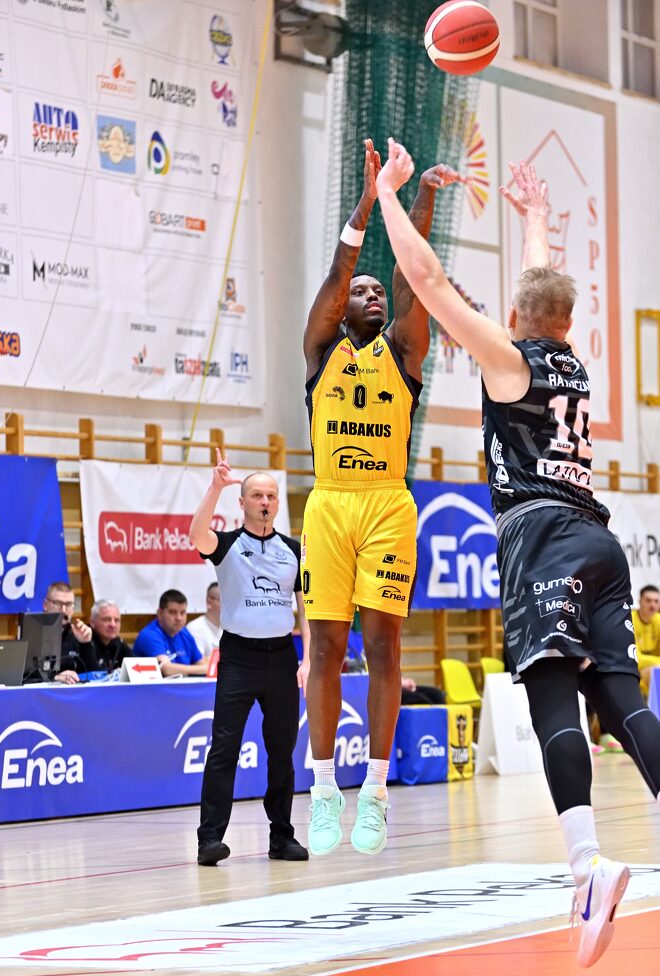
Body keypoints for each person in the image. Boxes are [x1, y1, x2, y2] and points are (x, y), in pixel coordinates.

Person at [375, 143, 660, 967]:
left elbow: (428, 280)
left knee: (552, 702)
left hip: (544, 542)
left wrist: (388, 195)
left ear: (518, 317)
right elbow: (541, 293)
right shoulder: (571, 360)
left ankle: (588, 867)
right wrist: (536, 217)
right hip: (601, 540)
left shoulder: (507, 361)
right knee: (622, 698)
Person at [301, 138, 454, 857]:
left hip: (387, 503)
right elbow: (340, 270)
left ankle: (376, 791)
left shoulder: (404, 353)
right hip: (331, 503)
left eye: (377, 293)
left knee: (383, 645)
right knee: (327, 647)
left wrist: (419, 196)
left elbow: (413, 278)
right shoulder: (322, 351)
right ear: (342, 310)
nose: (371, 294)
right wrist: (368, 199)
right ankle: (323, 788)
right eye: (361, 291)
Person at [189, 452, 310, 865]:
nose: (265, 501)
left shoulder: (293, 550)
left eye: (271, 496)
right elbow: (196, 534)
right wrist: (215, 487)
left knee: (282, 751)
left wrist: (308, 660)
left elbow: (306, 609)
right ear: (242, 503)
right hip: (238, 658)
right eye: (257, 495)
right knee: (224, 747)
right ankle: (209, 839)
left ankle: (281, 837)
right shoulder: (227, 546)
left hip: (282, 658)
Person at [31, 581, 98, 684]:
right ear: (45, 605)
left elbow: (94, 678)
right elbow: (25, 676)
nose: (63, 610)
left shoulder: (78, 634)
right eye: (58, 603)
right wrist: (55, 678)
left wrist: (86, 644)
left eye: (68, 604)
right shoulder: (32, 634)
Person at [133, 589, 207, 676]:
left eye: (182, 612)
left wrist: (205, 668)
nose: (179, 618)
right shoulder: (149, 635)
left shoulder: (184, 633)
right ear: (160, 613)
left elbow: (200, 662)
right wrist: (205, 669)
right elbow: (166, 669)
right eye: (173, 612)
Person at [632, 584, 660, 697]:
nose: (652, 605)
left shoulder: (658, 620)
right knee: (656, 671)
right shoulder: (629, 620)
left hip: (651, 670)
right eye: (648, 600)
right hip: (633, 671)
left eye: (656, 601)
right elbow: (635, 658)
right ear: (640, 601)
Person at [90, 599, 132, 673]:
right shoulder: (84, 642)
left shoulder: (118, 642)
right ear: (93, 623)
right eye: (107, 620)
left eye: (117, 620)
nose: (113, 625)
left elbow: (135, 664)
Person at [186, 582, 222, 660]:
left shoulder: (229, 629)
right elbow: (198, 661)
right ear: (209, 602)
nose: (227, 605)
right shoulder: (195, 628)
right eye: (222, 600)